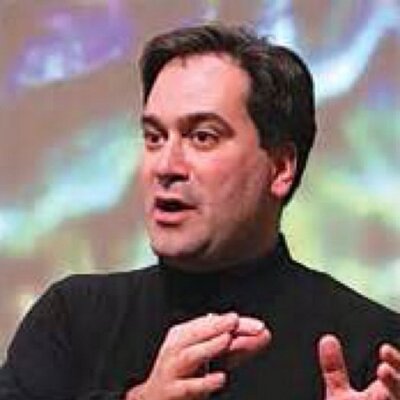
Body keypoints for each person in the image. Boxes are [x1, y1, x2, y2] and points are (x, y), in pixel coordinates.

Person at [1, 23, 399, 400]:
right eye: (154, 137)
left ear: (280, 168)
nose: (165, 165)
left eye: (202, 136)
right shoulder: (73, 320)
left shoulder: (372, 348)